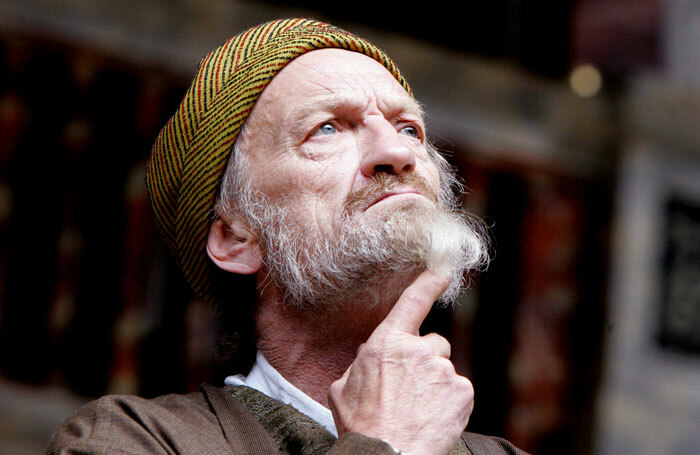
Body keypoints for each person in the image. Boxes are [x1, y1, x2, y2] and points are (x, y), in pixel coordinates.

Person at [47, 18, 526, 455]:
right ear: (237, 236)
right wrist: (387, 444)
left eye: (409, 128)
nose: (396, 152)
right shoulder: (133, 440)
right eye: (326, 129)